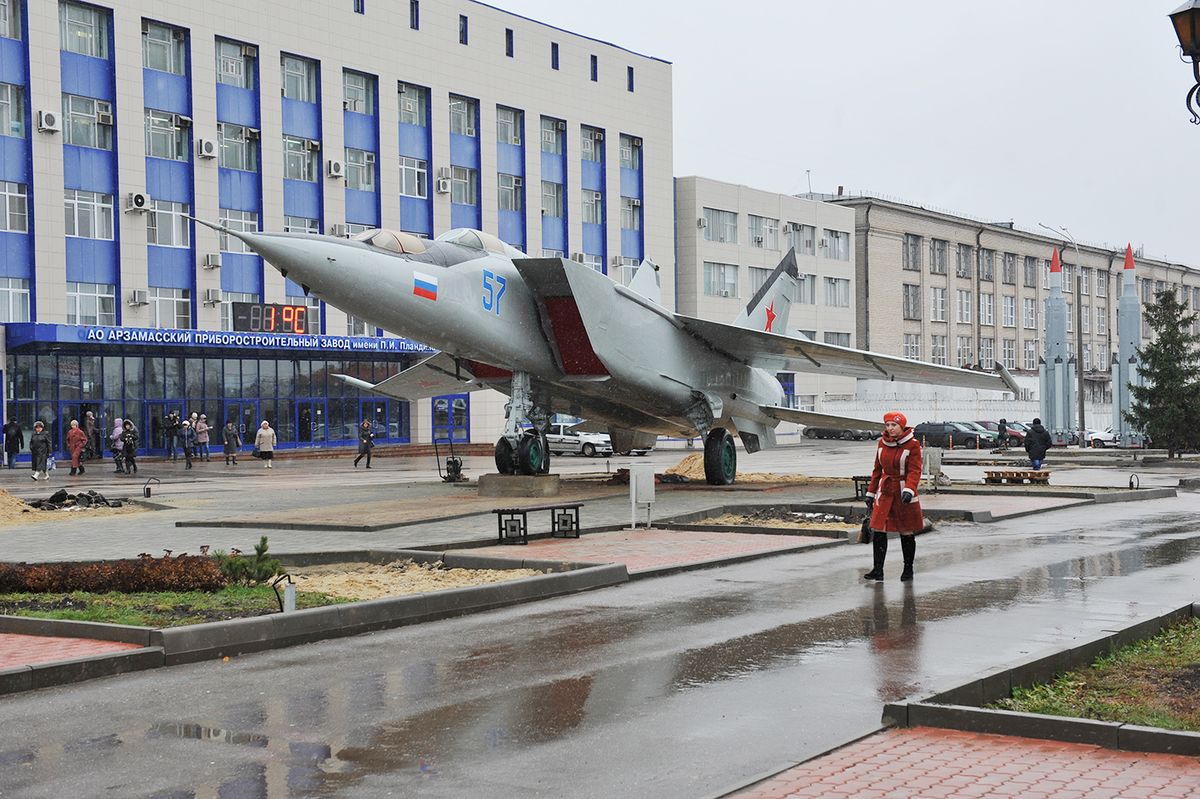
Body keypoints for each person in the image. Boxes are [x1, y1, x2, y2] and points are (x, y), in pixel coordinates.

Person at [864, 411, 925, 582]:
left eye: (894, 425)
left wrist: (910, 489)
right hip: (885, 491)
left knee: (905, 530)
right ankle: (878, 569)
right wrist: (870, 492)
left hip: (903, 492)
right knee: (879, 529)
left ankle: (908, 569)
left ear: (902, 426)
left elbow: (915, 470)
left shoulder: (912, 445)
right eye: (887, 425)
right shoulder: (882, 444)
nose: (890, 428)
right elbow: (877, 470)